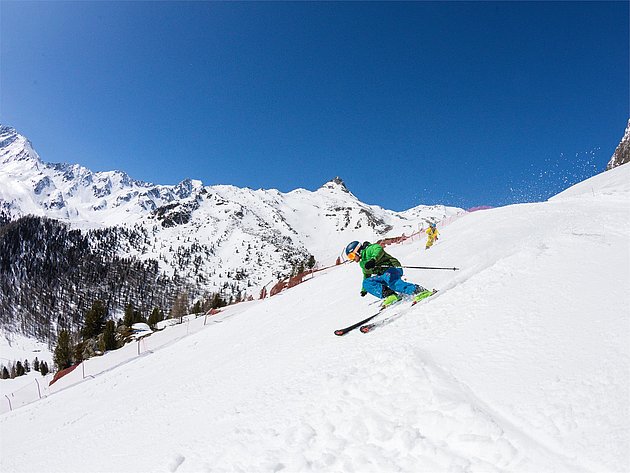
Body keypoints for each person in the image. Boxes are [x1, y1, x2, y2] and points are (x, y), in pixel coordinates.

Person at [345, 240, 433, 306]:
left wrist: (373, 260)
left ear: (357, 250)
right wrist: (364, 290)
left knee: (391, 281)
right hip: (382, 275)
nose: (352, 259)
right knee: (366, 282)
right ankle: (391, 295)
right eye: (350, 257)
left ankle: (419, 291)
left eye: (352, 255)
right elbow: (366, 275)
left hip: (392, 268)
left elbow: (378, 249)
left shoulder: (370, 249)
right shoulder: (362, 263)